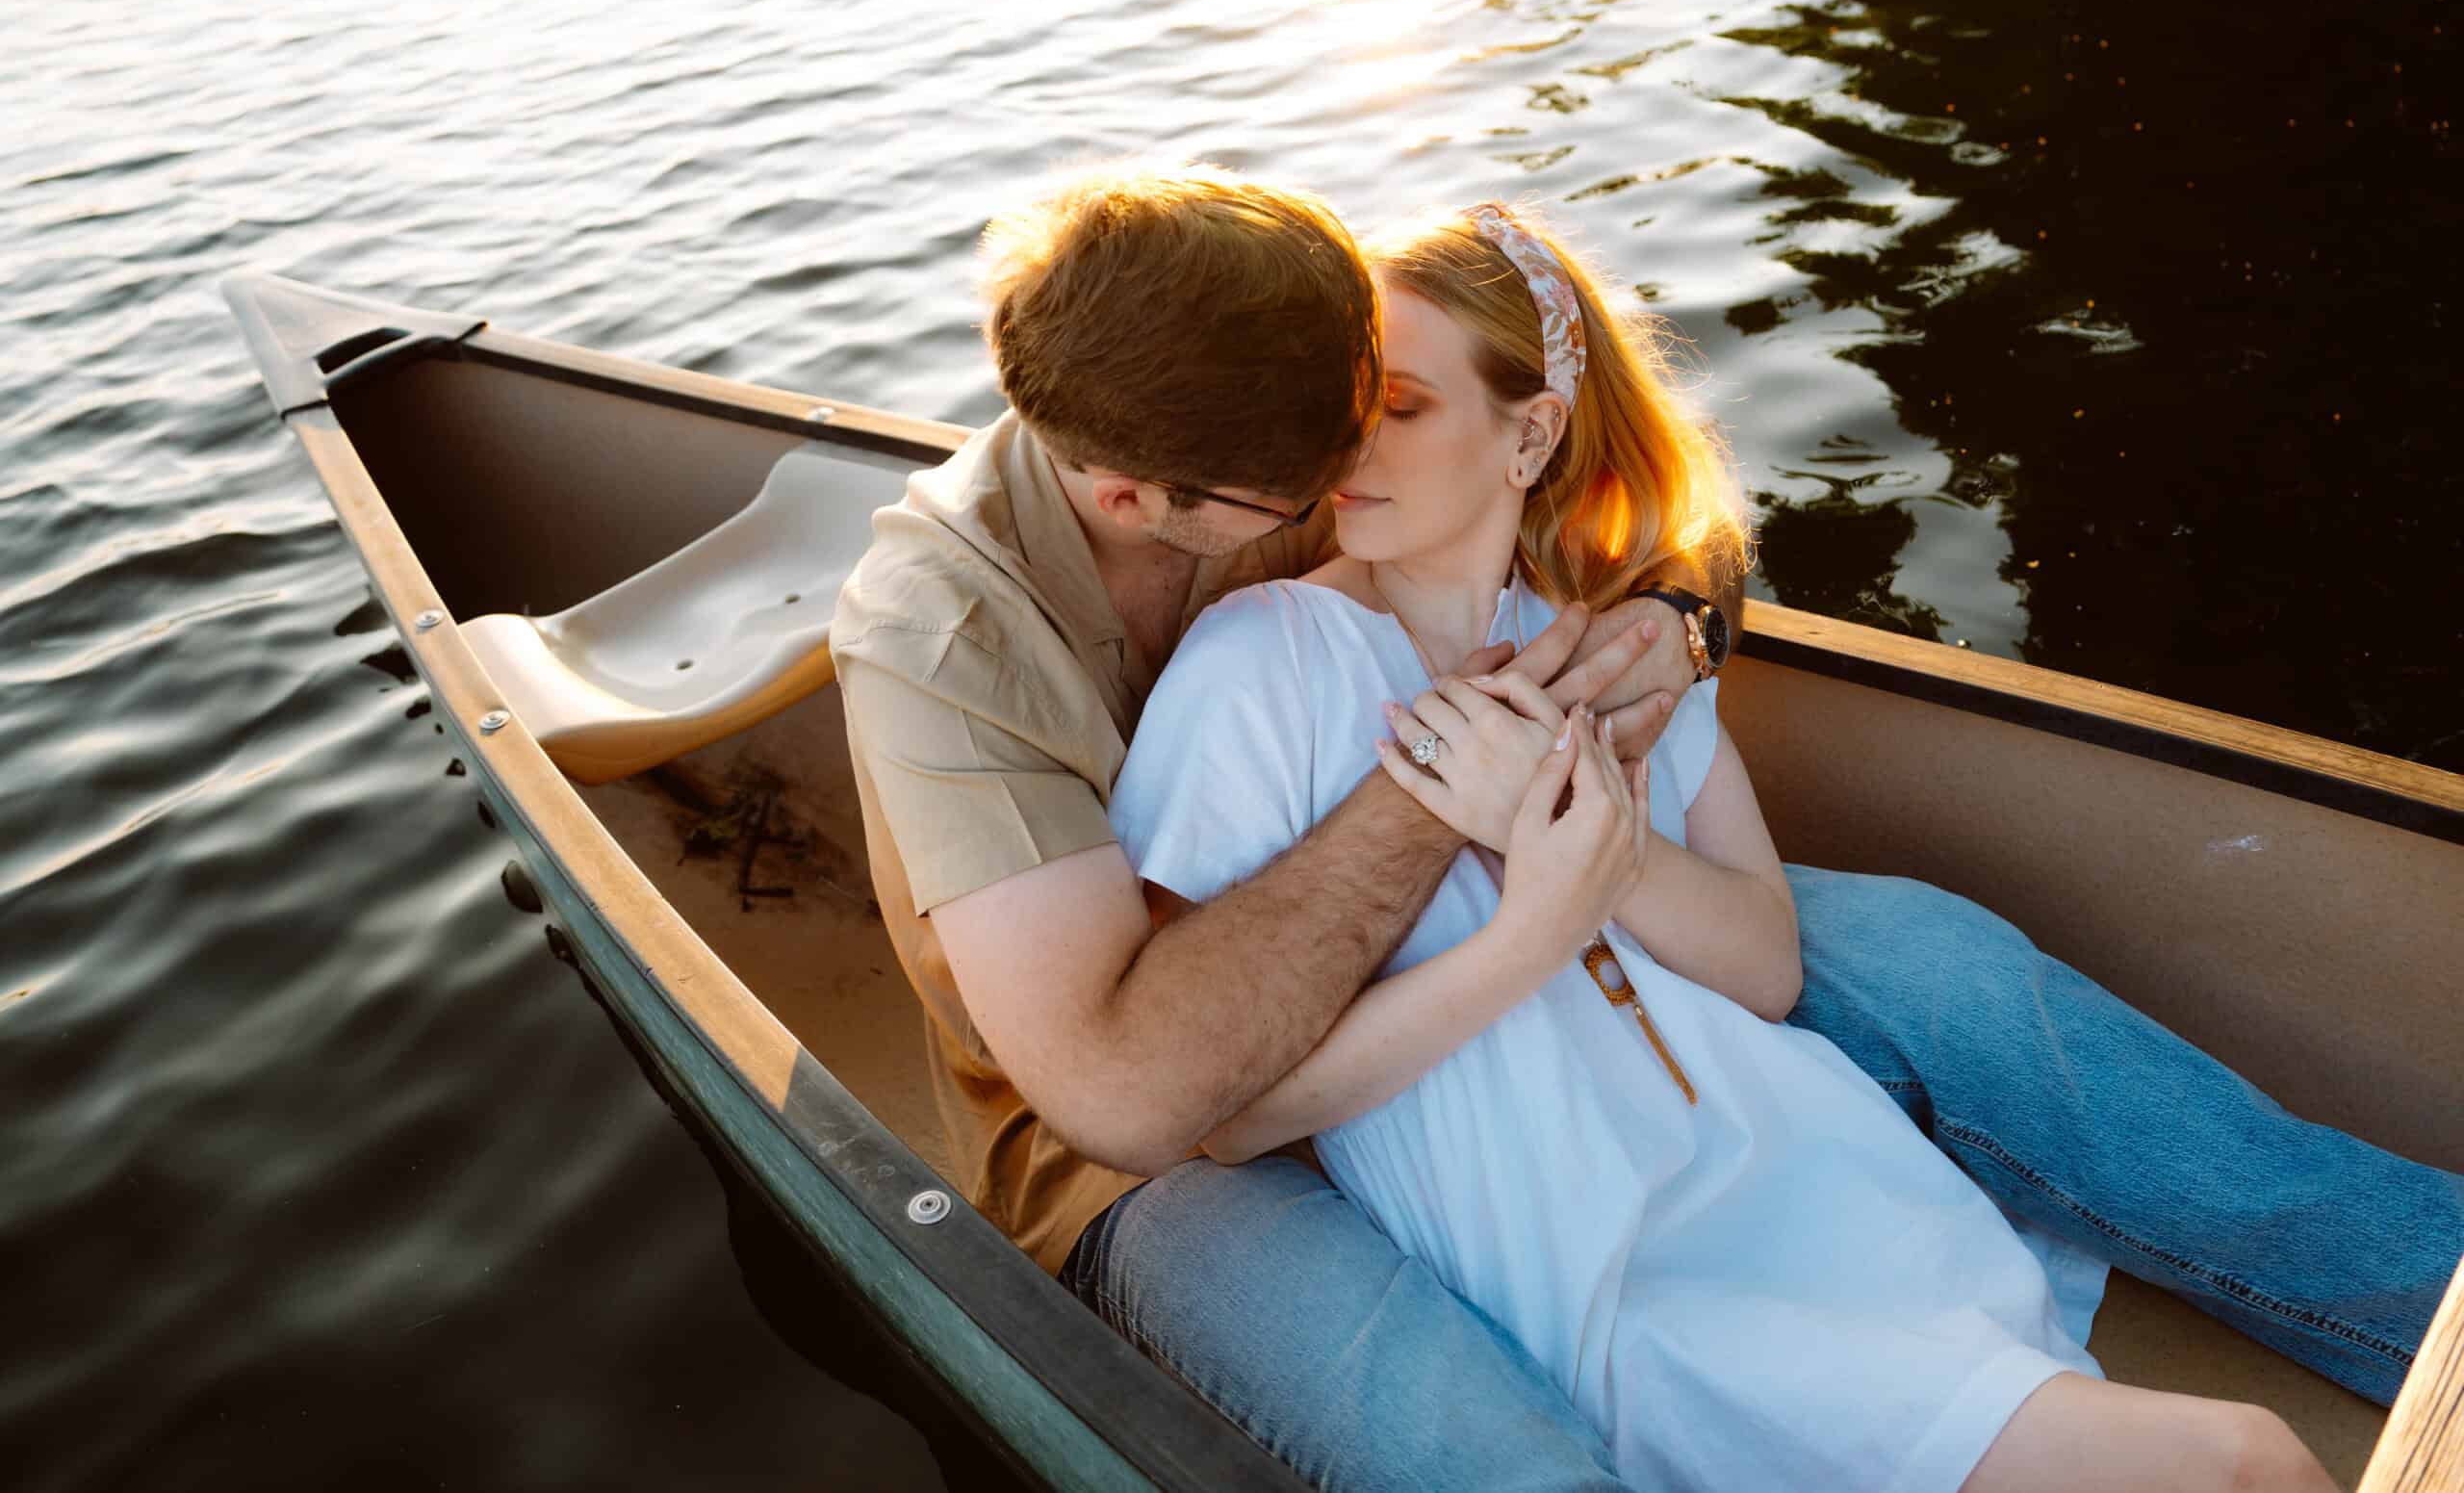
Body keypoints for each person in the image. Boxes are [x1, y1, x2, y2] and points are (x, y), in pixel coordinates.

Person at [827, 165, 2464, 1490]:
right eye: (1316, 464)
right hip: (1144, 1139)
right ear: (1144, 501)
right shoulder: (957, 630)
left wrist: (1664, 633)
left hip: (1509, 917)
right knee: (1492, 1457)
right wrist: (1487, 801)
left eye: (1373, 413)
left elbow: (1596, 494)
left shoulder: (1264, 369)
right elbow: (1146, 1099)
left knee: (1948, 970)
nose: (1348, 474)